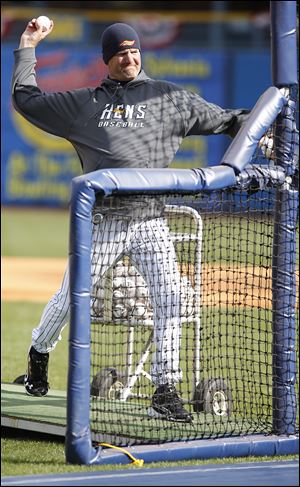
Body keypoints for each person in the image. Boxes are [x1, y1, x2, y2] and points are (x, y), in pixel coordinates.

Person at [12, 20, 249, 423]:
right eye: (121, 52)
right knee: (71, 297)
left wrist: (263, 127)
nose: (130, 56)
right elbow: (26, 99)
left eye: (134, 49)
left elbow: (229, 119)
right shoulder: (86, 103)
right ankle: (39, 351)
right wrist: (28, 45)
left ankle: (165, 388)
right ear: (108, 59)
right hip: (105, 222)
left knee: (171, 299)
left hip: (151, 221)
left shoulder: (169, 98)